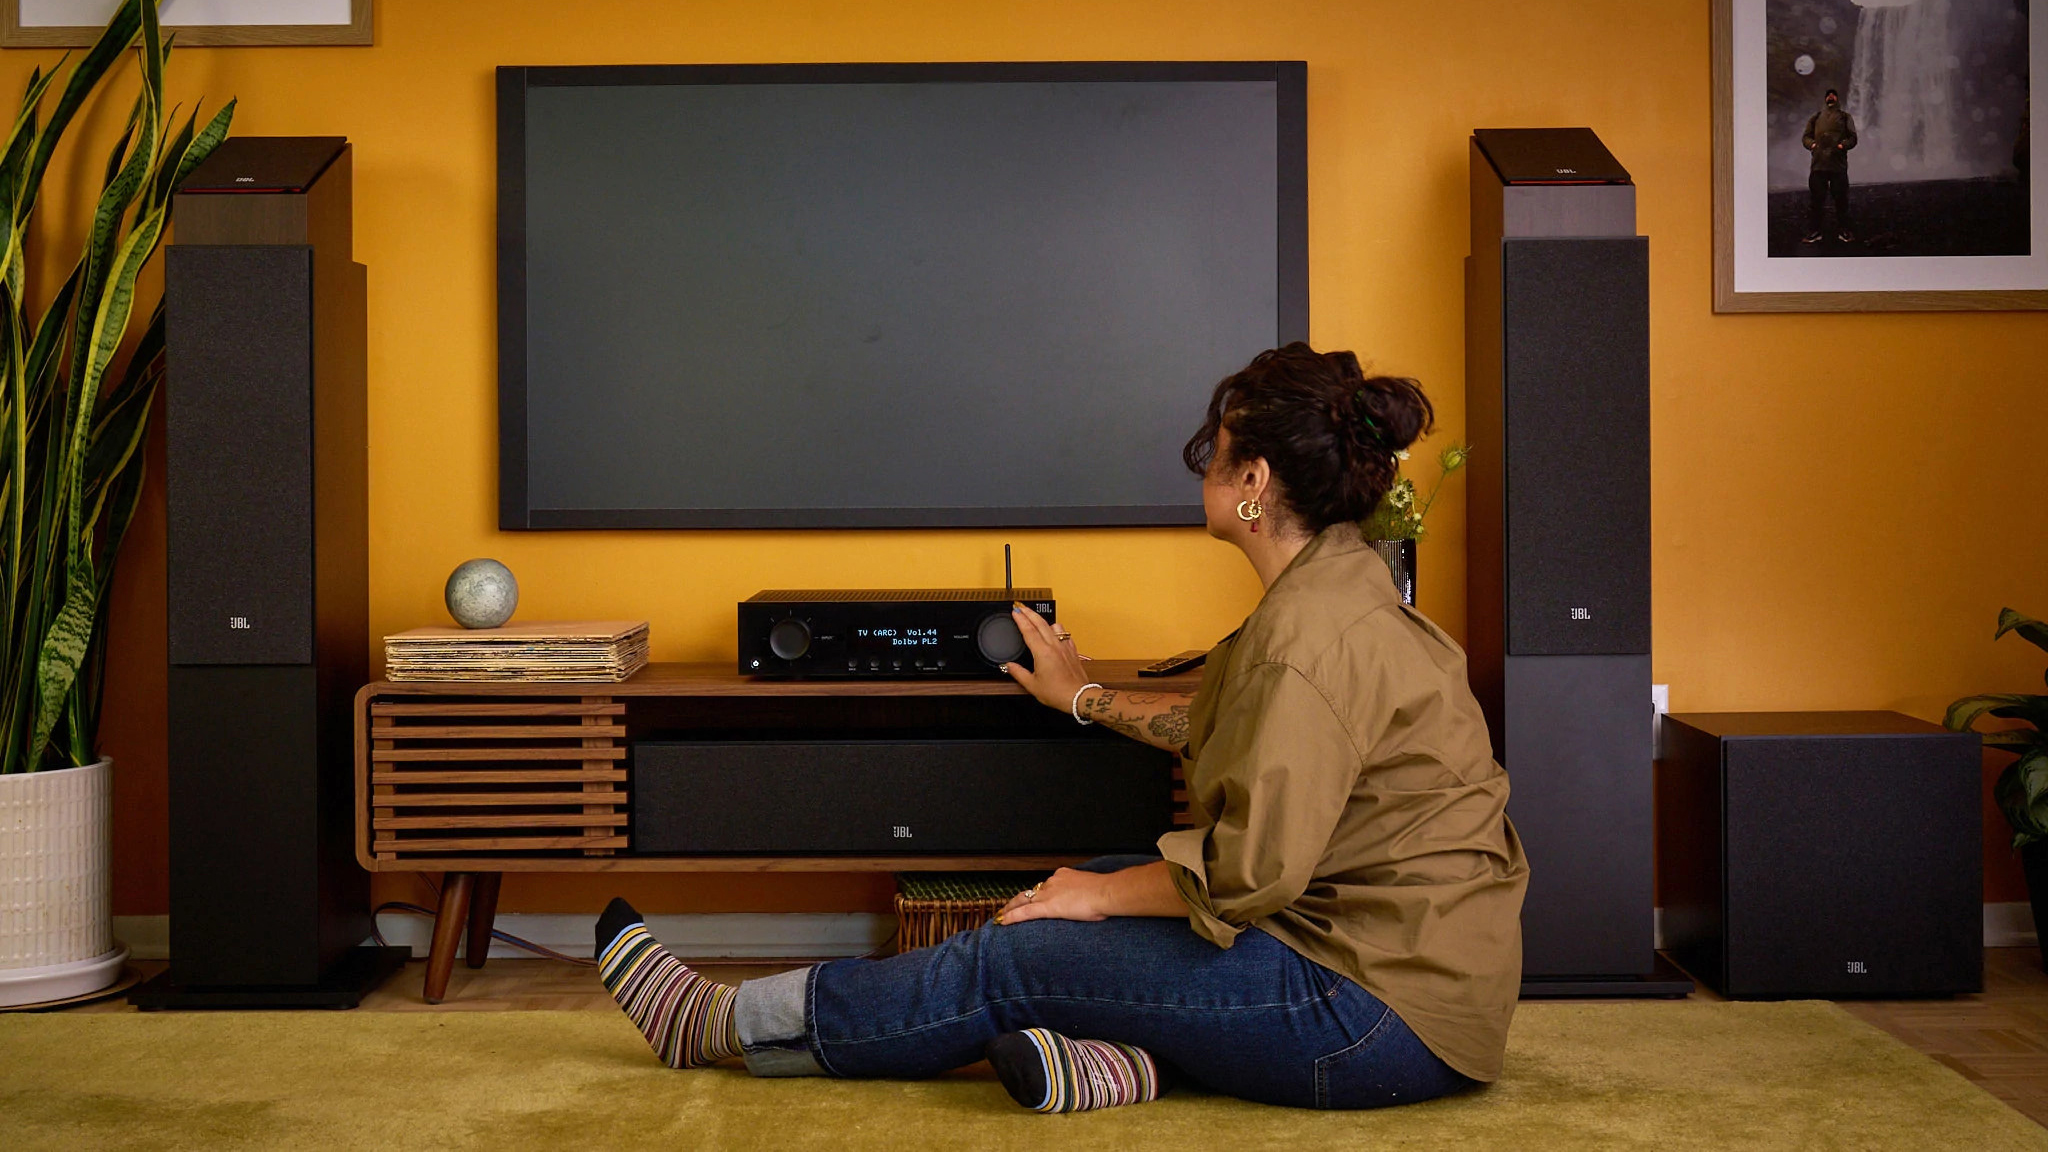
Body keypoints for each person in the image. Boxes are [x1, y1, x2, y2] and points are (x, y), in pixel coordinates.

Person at [592, 343, 1529, 1112]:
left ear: (1254, 478)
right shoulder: (1343, 589)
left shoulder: (1304, 641)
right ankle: (1122, 1067)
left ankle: (718, 1023)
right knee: (1111, 876)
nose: (1200, 464)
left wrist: (1095, 901)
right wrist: (1082, 698)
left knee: (1019, 954)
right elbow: (1233, 733)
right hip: (1412, 986)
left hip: (1365, 1020)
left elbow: (1250, 874)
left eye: (1215, 448)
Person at [1802, 88, 1858, 243]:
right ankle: (1815, 232)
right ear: (1825, 99)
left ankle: (1844, 231)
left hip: (1837, 166)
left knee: (1841, 201)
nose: (1830, 97)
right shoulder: (1816, 117)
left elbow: (1853, 138)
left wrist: (1842, 145)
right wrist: (1812, 145)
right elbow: (1805, 137)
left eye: (1833, 95)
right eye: (1828, 95)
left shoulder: (1845, 117)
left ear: (1838, 99)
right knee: (1816, 202)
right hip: (1818, 165)